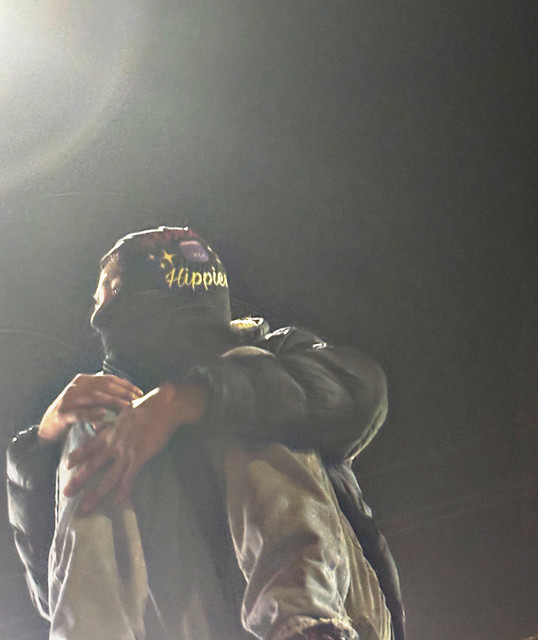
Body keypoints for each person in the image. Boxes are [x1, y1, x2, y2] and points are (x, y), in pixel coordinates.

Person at [6, 226, 405, 640]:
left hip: (342, 612)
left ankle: (305, 626)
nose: (97, 311)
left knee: (245, 377)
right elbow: (50, 596)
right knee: (97, 415)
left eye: (102, 294)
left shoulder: (274, 351)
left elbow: (364, 390)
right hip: (194, 622)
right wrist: (43, 446)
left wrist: (191, 398)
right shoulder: (110, 415)